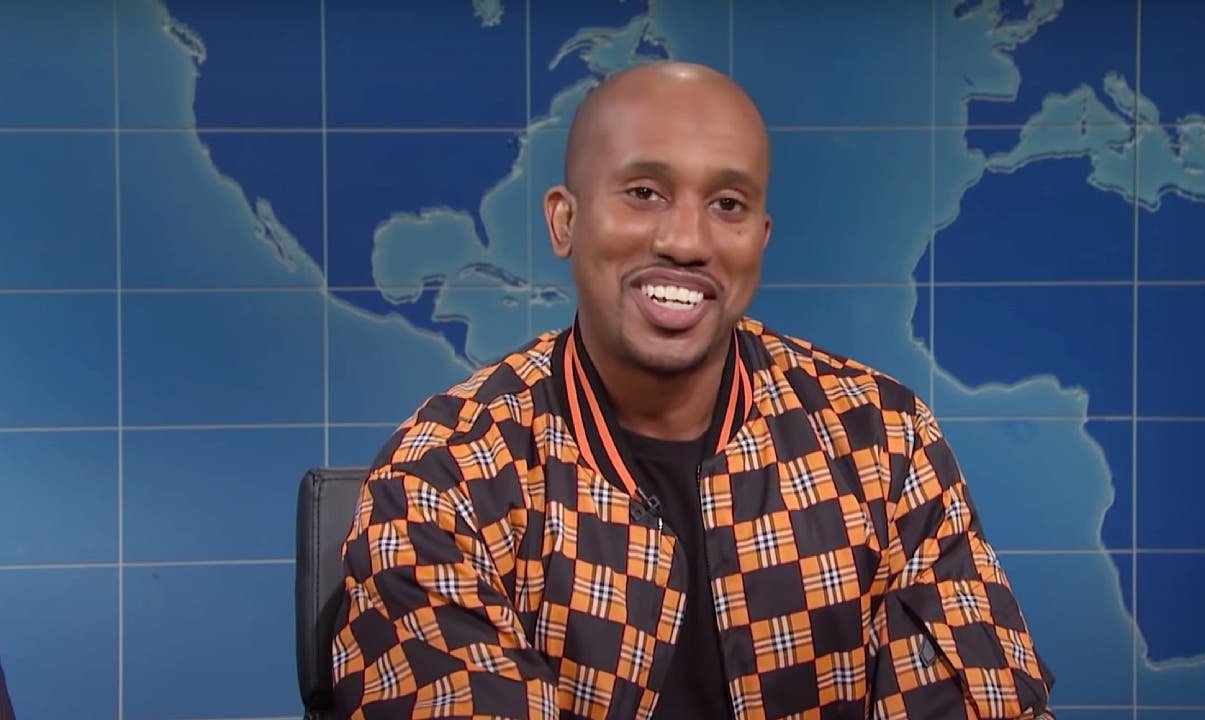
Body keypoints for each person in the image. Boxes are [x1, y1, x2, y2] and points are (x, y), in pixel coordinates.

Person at [331, 61, 1055, 719]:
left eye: (727, 204)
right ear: (565, 221)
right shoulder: (443, 474)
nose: (686, 241)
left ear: (760, 240)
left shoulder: (884, 442)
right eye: (644, 193)